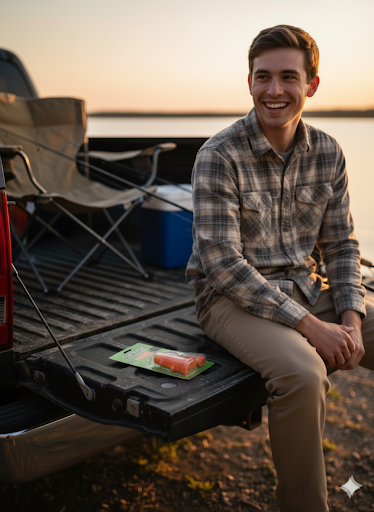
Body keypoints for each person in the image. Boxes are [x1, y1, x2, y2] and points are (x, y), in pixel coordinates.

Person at [186, 24, 374, 512]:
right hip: (230, 298)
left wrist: (350, 320)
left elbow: (341, 245)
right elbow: (222, 264)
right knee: (304, 374)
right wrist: (314, 327)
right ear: (248, 82)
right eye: (263, 77)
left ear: (311, 84)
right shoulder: (218, 156)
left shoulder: (328, 152)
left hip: (307, 286)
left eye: (288, 77)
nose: (275, 90)